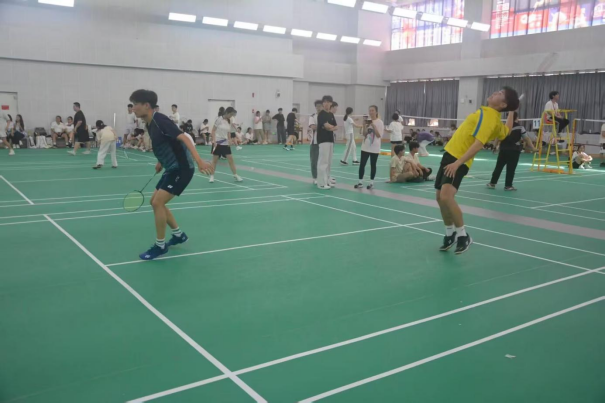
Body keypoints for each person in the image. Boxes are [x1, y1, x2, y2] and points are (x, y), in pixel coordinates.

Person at [129, 90, 214, 261]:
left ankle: (160, 246)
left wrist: (199, 161)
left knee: (158, 202)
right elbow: (166, 142)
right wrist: (161, 161)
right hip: (171, 167)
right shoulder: (149, 123)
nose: (133, 108)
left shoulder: (160, 120)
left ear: (146, 105)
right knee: (154, 202)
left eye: (135, 104)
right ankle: (178, 235)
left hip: (182, 168)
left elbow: (184, 138)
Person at [436, 87, 519, 255]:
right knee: (440, 198)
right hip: (450, 154)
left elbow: (479, 144)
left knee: (446, 197)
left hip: (457, 159)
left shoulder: (489, 118)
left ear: (503, 104)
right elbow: (506, 132)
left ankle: (463, 235)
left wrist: (457, 163)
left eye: (500, 94)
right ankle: (450, 233)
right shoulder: (492, 117)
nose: (495, 92)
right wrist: (511, 112)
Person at [487, 113, 536, 191]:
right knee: (511, 169)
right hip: (514, 151)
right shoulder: (520, 127)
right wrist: (533, 148)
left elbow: (498, 137)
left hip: (503, 150)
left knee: (498, 167)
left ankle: (492, 183)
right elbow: (526, 138)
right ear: (517, 118)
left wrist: (494, 147)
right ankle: (508, 186)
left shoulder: (503, 127)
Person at [210, 107, 244, 184]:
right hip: (218, 142)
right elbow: (213, 130)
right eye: (231, 114)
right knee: (214, 161)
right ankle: (212, 176)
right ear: (227, 112)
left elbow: (228, 132)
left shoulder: (229, 120)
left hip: (225, 142)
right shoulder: (219, 119)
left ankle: (235, 175)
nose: (231, 116)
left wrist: (229, 140)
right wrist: (214, 141)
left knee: (231, 160)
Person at [355, 105, 384, 190]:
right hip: (365, 147)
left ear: (376, 112)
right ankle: (360, 182)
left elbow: (379, 135)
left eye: (372, 110)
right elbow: (364, 134)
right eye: (370, 110)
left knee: (373, 165)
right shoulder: (367, 121)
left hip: (375, 148)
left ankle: (371, 183)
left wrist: (374, 127)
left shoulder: (380, 122)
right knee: (362, 164)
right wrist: (364, 126)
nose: (371, 112)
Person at [317, 96, 338, 190]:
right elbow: (327, 126)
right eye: (324, 102)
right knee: (323, 161)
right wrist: (331, 127)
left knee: (329, 162)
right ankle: (321, 183)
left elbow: (336, 126)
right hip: (323, 140)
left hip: (330, 140)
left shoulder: (331, 114)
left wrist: (331, 127)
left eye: (328, 102)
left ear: (331, 103)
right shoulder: (321, 114)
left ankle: (327, 180)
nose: (326, 104)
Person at [309, 100, 322, 185]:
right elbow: (313, 127)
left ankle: (324, 176)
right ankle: (315, 177)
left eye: (320, 106)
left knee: (324, 161)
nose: (318, 108)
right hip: (315, 142)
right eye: (317, 106)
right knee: (314, 161)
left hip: (324, 142)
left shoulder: (326, 115)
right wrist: (325, 126)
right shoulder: (313, 116)